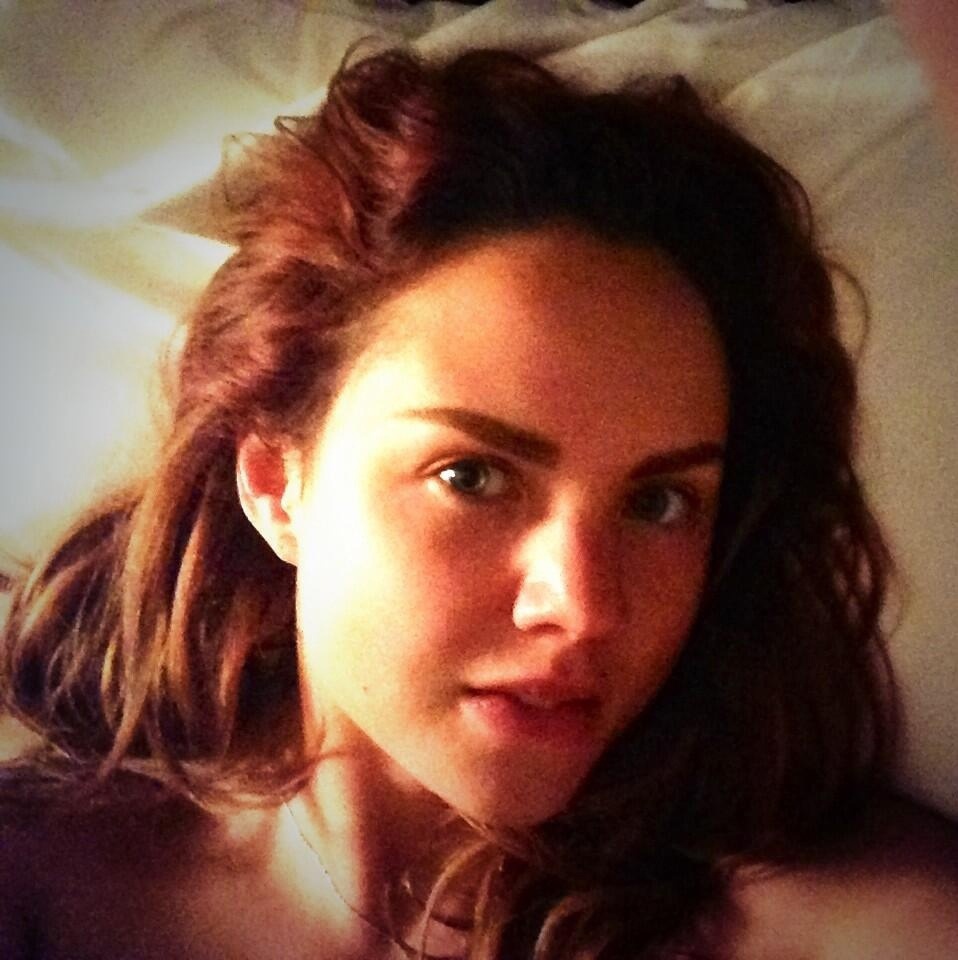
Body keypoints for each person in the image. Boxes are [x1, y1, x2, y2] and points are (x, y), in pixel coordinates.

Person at [0, 41, 956, 960]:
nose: (584, 607)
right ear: (278, 485)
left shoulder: (845, 927)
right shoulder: (40, 889)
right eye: (472, 477)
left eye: (660, 503)